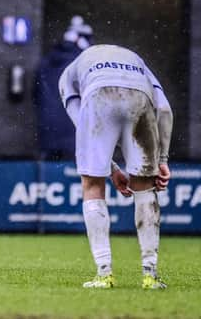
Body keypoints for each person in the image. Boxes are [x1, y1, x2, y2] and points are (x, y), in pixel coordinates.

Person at [58, 44, 173, 289]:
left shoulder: (69, 73)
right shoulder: (138, 60)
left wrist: (109, 170)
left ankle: (104, 273)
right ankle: (150, 274)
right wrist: (162, 160)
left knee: (92, 185)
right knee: (145, 189)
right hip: (138, 97)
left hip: (97, 94)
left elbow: (82, 124)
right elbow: (164, 108)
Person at [34, 15, 93, 160]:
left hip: (48, 136)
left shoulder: (46, 62)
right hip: (77, 137)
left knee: (49, 176)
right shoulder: (85, 63)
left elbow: (36, 95)